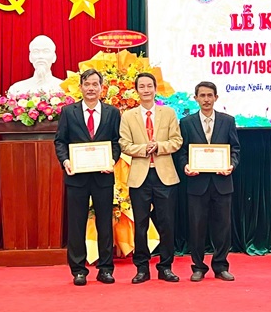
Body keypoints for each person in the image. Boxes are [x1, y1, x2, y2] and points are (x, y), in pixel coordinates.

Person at [54, 69, 121, 286]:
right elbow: (60, 141)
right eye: (87, 84)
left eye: (95, 84)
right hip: (76, 177)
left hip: (103, 177)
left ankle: (105, 269)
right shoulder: (68, 112)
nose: (91, 88)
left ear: (102, 88)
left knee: (105, 224)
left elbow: (117, 142)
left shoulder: (112, 113)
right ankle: (78, 270)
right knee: (76, 224)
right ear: (80, 87)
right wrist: (66, 161)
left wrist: (112, 160)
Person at [119, 72, 182, 283]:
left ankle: (166, 267)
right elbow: (124, 144)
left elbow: (177, 141)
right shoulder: (128, 116)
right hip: (140, 177)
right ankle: (142, 268)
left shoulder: (169, 113)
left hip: (165, 176)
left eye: (149, 86)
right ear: (136, 90)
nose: (146, 90)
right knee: (141, 225)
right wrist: (144, 149)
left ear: (155, 89)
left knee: (167, 224)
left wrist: (159, 146)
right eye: (142, 86)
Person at [179, 81, 240, 282]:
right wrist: (185, 166)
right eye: (202, 96)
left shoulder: (228, 121)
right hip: (197, 184)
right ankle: (198, 267)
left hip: (222, 183)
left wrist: (231, 165)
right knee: (196, 227)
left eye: (210, 95)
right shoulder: (186, 122)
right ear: (195, 98)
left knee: (222, 228)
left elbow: (235, 149)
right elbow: (182, 151)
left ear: (216, 97)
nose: (206, 99)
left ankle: (221, 266)